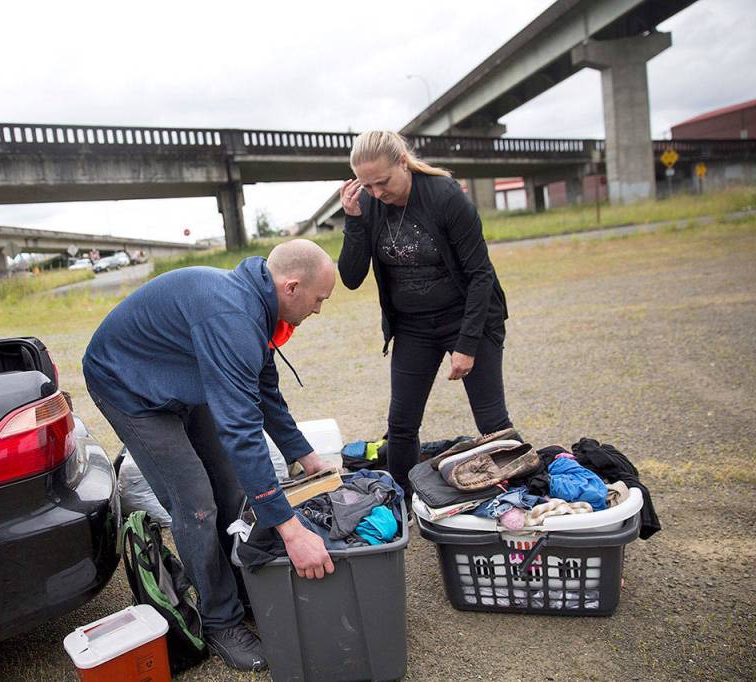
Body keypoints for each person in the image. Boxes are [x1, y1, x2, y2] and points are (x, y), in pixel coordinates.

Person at [82, 239, 337, 672]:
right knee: (196, 501)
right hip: (127, 386)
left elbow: (264, 391)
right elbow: (241, 431)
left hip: (182, 375)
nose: (318, 310)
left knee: (230, 486)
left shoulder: (256, 309)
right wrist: (292, 531)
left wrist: (305, 455)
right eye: (318, 300)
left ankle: (238, 586)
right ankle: (221, 620)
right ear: (291, 287)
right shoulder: (233, 317)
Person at [337, 130, 514, 504]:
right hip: (414, 327)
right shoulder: (367, 204)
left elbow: (481, 274)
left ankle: (516, 496)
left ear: (403, 161)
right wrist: (353, 220)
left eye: (383, 182)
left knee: (492, 423)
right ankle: (400, 501)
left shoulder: (444, 196)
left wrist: (466, 345)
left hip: (466, 317)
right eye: (367, 186)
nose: (377, 193)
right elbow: (351, 278)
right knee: (401, 425)